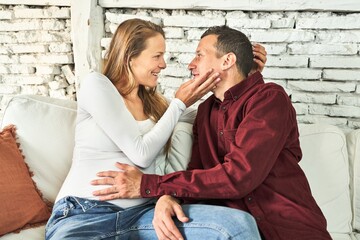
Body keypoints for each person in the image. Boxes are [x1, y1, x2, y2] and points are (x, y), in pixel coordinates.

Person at [91, 25, 332, 240]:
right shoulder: (205, 111)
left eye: (199, 54)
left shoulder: (269, 99)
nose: (190, 64)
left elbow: (239, 177)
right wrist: (169, 197)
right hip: (234, 228)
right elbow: (199, 173)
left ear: (227, 61)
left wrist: (149, 184)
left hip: (290, 228)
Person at [45, 19, 267, 240]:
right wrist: (179, 104)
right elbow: (140, 153)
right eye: (157, 56)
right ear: (131, 57)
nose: (163, 64)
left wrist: (243, 76)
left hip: (145, 214)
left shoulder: (158, 107)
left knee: (236, 224)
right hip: (85, 213)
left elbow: (219, 111)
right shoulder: (97, 85)